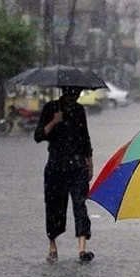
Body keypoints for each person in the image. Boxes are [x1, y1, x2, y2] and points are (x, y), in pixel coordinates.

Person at [34, 86, 94, 264]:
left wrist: (89, 161)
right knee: (54, 206)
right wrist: (53, 122)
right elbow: (38, 136)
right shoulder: (50, 108)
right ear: (64, 93)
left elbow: (85, 137)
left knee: (80, 204)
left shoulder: (79, 110)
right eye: (71, 94)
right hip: (56, 166)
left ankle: (82, 249)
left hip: (77, 166)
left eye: (77, 95)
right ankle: (52, 246)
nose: (74, 98)